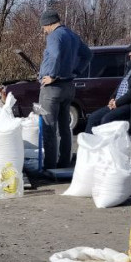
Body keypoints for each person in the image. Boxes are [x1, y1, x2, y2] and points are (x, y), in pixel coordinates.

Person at [37, 10, 91, 170]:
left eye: (43, 27)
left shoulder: (54, 36)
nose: (44, 31)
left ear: (48, 23)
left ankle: (50, 166)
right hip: (68, 86)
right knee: (65, 128)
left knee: (49, 127)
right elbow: (87, 54)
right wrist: (77, 71)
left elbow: (55, 54)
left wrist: (52, 75)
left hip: (52, 88)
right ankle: (65, 162)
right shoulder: (72, 35)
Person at [85, 38, 131, 135]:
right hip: (119, 102)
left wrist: (118, 102)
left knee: (107, 120)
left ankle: (106, 148)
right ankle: (88, 148)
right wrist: (112, 98)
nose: (130, 54)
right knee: (93, 118)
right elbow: (122, 84)